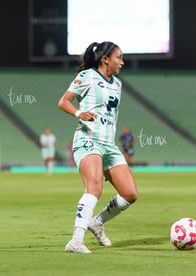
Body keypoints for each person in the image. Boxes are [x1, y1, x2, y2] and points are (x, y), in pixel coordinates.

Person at [58, 41, 138, 254]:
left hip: (108, 145)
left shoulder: (118, 84)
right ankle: (75, 241)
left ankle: (97, 222)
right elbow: (64, 101)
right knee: (94, 188)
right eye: (118, 57)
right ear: (105, 59)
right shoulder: (87, 76)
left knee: (130, 194)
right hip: (88, 140)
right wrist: (79, 113)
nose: (122, 61)